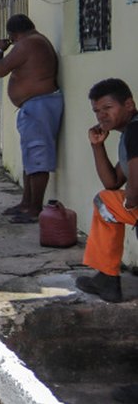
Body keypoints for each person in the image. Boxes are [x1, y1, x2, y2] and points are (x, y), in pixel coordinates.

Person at [0, 14, 62, 224]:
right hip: (35, 107)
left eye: (12, 38)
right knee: (31, 158)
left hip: (39, 106)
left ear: (14, 34)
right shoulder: (35, 41)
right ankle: (26, 203)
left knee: (37, 158)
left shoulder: (28, 43)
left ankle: (34, 209)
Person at [76, 78, 138, 305]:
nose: (101, 116)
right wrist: (97, 145)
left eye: (108, 108)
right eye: (97, 111)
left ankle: (108, 278)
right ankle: (106, 278)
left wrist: (131, 205)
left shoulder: (135, 131)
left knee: (105, 202)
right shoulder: (129, 135)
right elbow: (113, 182)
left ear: (129, 105)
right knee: (107, 201)